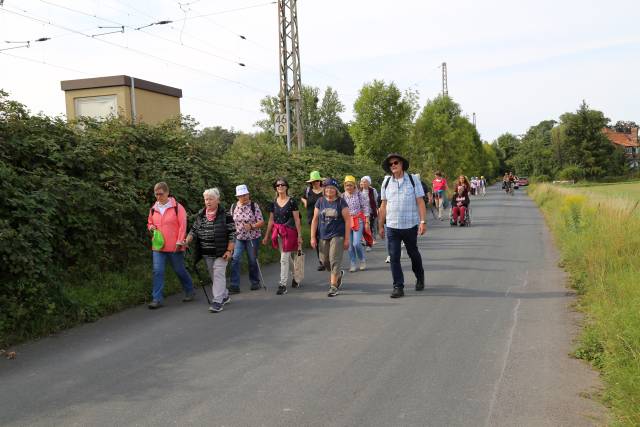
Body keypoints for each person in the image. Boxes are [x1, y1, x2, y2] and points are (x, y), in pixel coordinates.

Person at [378, 153, 427, 298]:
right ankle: (398, 286)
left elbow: (420, 202)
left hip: (410, 225)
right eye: (391, 164)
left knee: (413, 254)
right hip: (392, 226)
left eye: (396, 163)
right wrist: (380, 225)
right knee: (394, 256)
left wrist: (423, 221)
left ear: (402, 164)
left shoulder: (413, 180)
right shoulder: (386, 182)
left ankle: (420, 277)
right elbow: (383, 205)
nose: (393, 165)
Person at [186, 188, 235, 313]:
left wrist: (229, 251)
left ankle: (217, 301)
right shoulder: (201, 215)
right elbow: (194, 230)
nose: (208, 201)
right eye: (206, 199)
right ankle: (224, 295)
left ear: (217, 200)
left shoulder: (226, 215)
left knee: (218, 273)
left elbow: (232, 234)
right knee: (214, 275)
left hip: (222, 251)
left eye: (211, 199)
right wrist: (186, 241)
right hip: (207, 252)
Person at [146, 182, 195, 309]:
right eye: (156, 194)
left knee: (179, 270)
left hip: (175, 246)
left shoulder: (177, 207)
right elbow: (150, 222)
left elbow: (183, 226)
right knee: (158, 271)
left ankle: (190, 290)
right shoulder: (153, 208)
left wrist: (180, 242)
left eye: (160, 194)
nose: (158, 197)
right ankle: (157, 299)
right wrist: (151, 227)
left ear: (167, 193)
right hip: (158, 246)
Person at [310, 178, 351, 297]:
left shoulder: (341, 202)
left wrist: (347, 239)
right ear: (324, 189)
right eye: (327, 188)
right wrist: (313, 237)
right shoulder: (320, 201)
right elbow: (315, 219)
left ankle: (333, 286)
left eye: (332, 188)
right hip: (323, 235)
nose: (329, 190)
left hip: (337, 235)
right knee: (324, 261)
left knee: (334, 259)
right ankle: (338, 274)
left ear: (336, 190)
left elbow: (348, 220)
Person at [263, 178, 303, 295]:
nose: (280, 186)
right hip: (278, 233)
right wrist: (266, 236)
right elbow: (271, 220)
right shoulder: (273, 203)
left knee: (283, 258)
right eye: (278, 185)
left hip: (290, 232)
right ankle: (296, 276)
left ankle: (282, 284)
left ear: (286, 187)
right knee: (286, 257)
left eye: (282, 185)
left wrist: (299, 235)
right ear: (275, 188)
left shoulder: (292, 202)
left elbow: (297, 219)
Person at [229, 184, 265, 294]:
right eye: (241, 195)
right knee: (235, 259)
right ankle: (234, 285)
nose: (244, 197)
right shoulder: (234, 207)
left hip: (252, 237)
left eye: (245, 195)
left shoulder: (254, 206)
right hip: (239, 237)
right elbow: (231, 222)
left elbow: (261, 222)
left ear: (248, 194)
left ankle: (255, 282)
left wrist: (252, 226)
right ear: (237, 197)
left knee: (252, 260)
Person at [342, 175, 370, 272]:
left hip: (358, 220)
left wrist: (367, 221)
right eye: (347, 185)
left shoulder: (359, 195)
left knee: (357, 243)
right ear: (344, 186)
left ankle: (362, 260)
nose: (349, 187)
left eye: (351, 185)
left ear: (354, 185)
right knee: (349, 245)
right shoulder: (342, 196)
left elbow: (366, 207)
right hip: (346, 222)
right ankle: (353, 263)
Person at [301, 171, 325, 271]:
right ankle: (321, 261)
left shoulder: (325, 191)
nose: (315, 183)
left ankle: (327, 259)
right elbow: (302, 197)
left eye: (317, 181)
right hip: (312, 218)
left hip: (324, 219)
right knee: (315, 239)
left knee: (324, 239)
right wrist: (305, 201)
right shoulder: (308, 190)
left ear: (320, 181)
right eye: (313, 181)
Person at [359, 176, 379, 250]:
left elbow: (376, 200)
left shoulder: (373, 190)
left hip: (370, 211)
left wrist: (376, 209)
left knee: (369, 227)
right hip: (361, 212)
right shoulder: (359, 191)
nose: (363, 183)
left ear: (369, 183)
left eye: (365, 181)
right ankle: (363, 240)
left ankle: (369, 244)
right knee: (362, 227)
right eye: (362, 181)